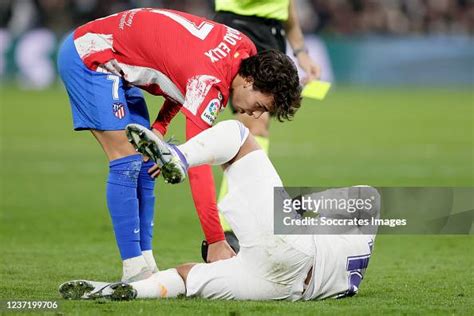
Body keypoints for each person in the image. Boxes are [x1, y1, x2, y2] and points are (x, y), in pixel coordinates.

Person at [57, 8, 302, 282]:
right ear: (249, 81)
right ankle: (133, 269)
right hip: (90, 54)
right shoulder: (210, 84)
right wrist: (215, 240)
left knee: (148, 159)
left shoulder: (243, 47)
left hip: (117, 54)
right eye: (259, 106)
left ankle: (146, 263)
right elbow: (198, 167)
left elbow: (183, 74)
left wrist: (160, 128)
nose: (255, 114)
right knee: (126, 161)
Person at [59, 120, 378, 301]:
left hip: (290, 255)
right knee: (186, 275)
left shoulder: (357, 223)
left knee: (239, 136)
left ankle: (177, 156)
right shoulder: (351, 271)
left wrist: (296, 209)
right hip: (285, 289)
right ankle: (123, 290)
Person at [212, 0, 321, 250]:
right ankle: (229, 227)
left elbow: (286, 5)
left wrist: (301, 51)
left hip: (273, 34)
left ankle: (242, 217)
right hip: (239, 27)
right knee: (253, 124)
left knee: (257, 127)